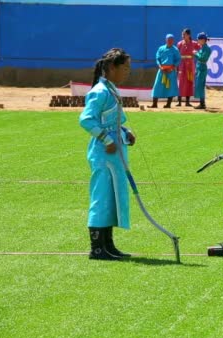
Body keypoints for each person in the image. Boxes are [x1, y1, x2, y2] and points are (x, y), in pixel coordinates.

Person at [79, 48, 135, 261]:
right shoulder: (100, 92)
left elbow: (113, 120)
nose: (127, 72)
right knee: (102, 196)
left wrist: (125, 132)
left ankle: (108, 244)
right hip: (104, 154)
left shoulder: (110, 89)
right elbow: (86, 119)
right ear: (112, 68)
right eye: (125, 68)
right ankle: (97, 248)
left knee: (112, 196)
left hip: (115, 154)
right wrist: (106, 139)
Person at [149, 34, 181, 109]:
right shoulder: (161, 48)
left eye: (171, 40)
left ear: (173, 41)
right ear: (166, 40)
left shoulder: (175, 50)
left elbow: (178, 60)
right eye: (168, 40)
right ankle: (154, 104)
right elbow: (157, 58)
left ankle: (168, 104)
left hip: (171, 71)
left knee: (170, 87)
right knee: (157, 86)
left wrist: (172, 67)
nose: (170, 41)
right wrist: (160, 66)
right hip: (162, 70)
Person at [176, 28, 201, 107]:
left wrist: (196, 54)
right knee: (180, 82)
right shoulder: (180, 44)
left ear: (189, 35)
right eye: (182, 34)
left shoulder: (194, 43)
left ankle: (187, 101)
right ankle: (179, 101)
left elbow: (201, 49)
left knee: (189, 82)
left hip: (190, 65)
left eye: (184, 34)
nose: (183, 36)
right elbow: (177, 55)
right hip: (181, 64)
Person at [193, 32, 212, 110]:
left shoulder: (207, 49)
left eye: (199, 40)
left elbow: (203, 58)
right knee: (198, 85)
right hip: (199, 67)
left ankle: (202, 103)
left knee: (200, 85)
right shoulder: (202, 48)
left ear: (203, 40)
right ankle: (201, 102)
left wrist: (196, 54)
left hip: (202, 67)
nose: (198, 41)